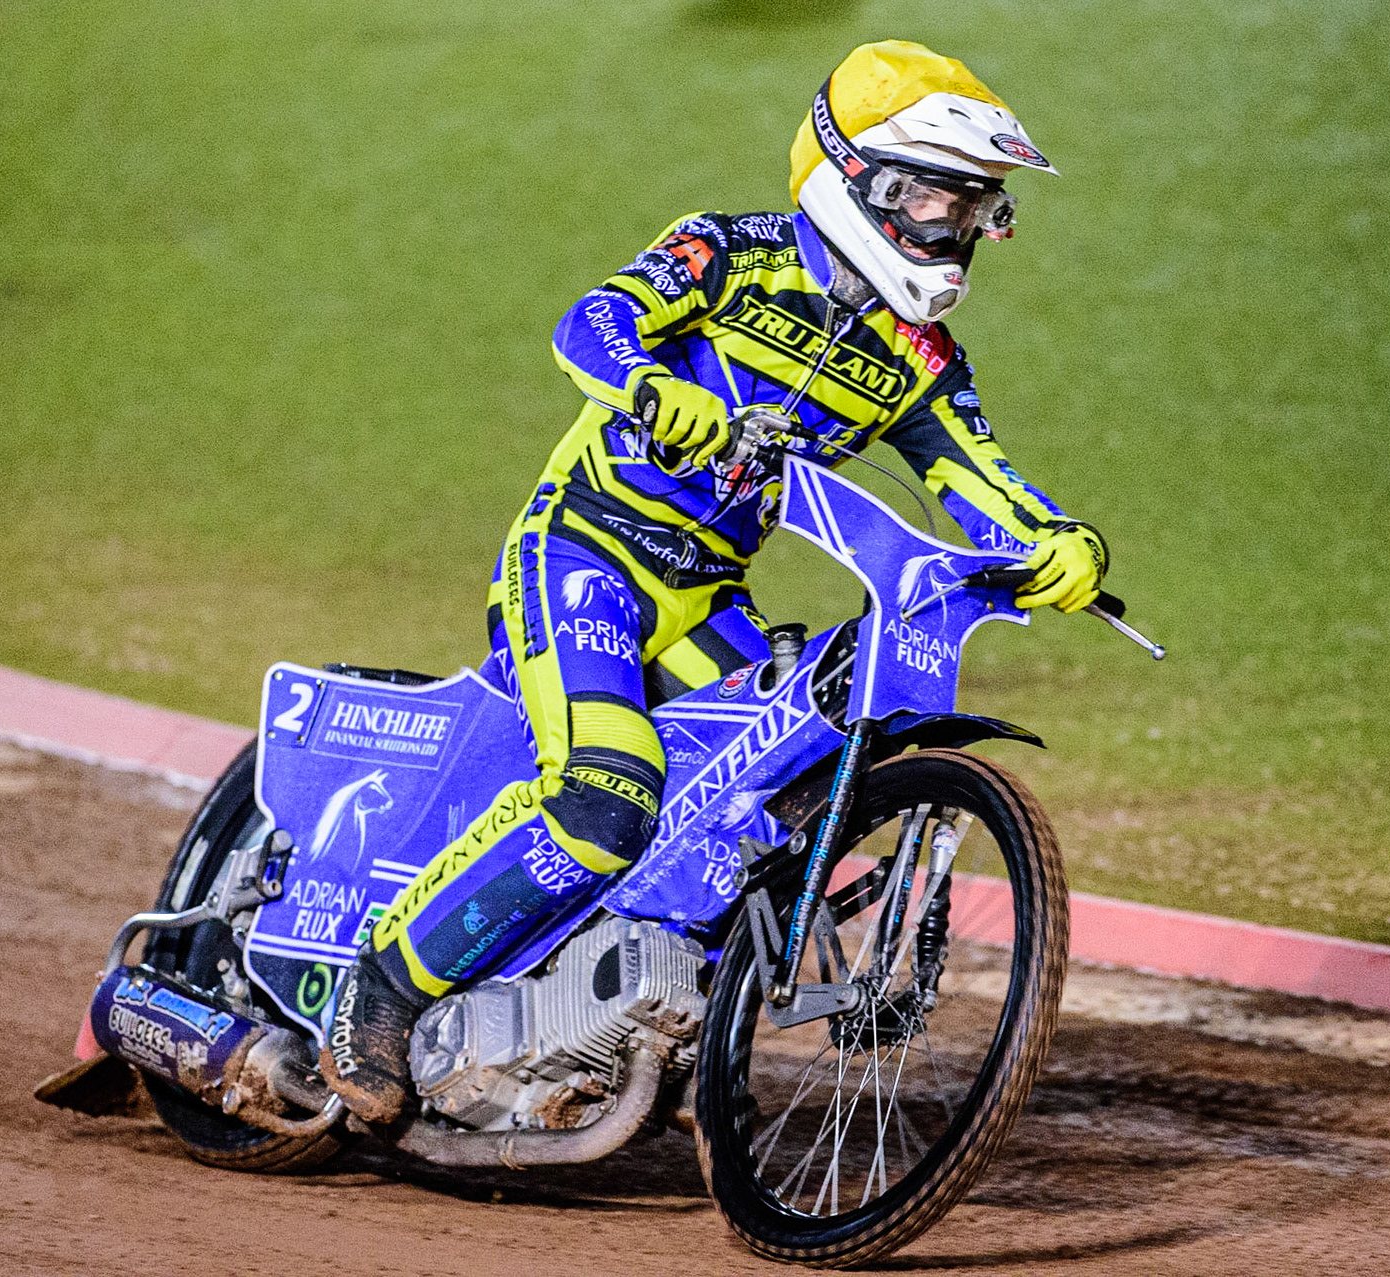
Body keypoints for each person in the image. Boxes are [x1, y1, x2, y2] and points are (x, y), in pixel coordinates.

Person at [322, 39, 1110, 1124]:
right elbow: (588, 326)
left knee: (779, 783)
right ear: (860, 180)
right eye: (937, 198)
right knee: (606, 793)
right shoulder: (728, 250)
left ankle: (644, 1011)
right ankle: (381, 989)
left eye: (975, 210)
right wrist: (649, 383)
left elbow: (977, 476)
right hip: (585, 554)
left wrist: (1059, 540)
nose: (955, 231)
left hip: (706, 600)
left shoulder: (925, 358)